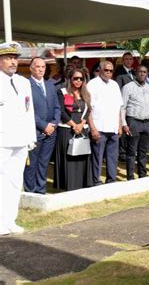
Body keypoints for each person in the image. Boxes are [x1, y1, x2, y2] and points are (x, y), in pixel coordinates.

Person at [0, 42, 36, 235]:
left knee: (14, 181)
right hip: (2, 141)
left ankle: (9, 220)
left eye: (14, 58)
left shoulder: (23, 82)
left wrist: (30, 137)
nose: (13, 62)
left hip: (20, 140)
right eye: (8, 58)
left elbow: (29, 111)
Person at [25, 57, 60, 194]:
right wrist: (44, 125)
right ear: (31, 68)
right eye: (37, 66)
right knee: (31, 164)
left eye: (43, 67)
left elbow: (57, 107)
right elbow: (27, 110)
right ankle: (30, 192)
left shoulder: (50, 85)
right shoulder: (26, 85)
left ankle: (40, 190)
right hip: (35, 131)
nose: (40, 69)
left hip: (51, 132)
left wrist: (54, 124)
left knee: (44, 163)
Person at [55, 69, 93, 191]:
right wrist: (74, 125)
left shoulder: (85, 93)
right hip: (67, 129)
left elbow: (88, 110)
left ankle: (82, 184)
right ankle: (68, 185)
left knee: (81, 156)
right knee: (69, 158)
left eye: (81, 79)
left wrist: (82, 124)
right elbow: (61, 111)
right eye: (75, 78)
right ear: (70, 79)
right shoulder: (62, 92)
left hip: (82, 129)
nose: (78, 81)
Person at [88, 61, 123, 185]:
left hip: (113, 127)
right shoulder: (92, 84)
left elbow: (118, 107)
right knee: (97, 157)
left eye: (111, 71)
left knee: (112, 157)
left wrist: (120, 125)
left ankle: (111, 180)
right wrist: (93, 128)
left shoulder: (114, 85)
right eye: (106, 70)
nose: (108, 73)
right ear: (100, 70)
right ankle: (96, 181)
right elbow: (89, 109)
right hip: (99, 127)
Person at [122, 65, 149, 180]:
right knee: (131, 152)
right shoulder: (128, 87)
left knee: (143, 152)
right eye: (140, 71)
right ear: (135, 72)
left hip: (147, 123)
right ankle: (130, 177)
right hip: (134, 122)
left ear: (147, 74)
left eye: (145, 72)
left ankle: (142, 174)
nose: (142, 74)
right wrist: (124, 123)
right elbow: (123, 107)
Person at [115, 52, 136, 161]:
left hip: (133, 107)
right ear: (123, 61)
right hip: (124, 107)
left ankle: (128, 151)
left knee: (130, 130)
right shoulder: (120, 74)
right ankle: (122, 153)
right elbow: (118, 90)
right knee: (123, 129)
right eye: (126, 59)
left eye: (130, 59)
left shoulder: (134, 72)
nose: (128, 61)